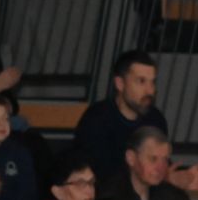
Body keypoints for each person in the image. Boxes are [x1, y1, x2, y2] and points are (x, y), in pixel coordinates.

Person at [71, 51, 170, 185]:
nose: (150, 91)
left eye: (152, 82)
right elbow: (96, 174)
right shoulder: (97, 119)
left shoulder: (155, 119)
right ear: (120, 83)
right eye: (141, 81)